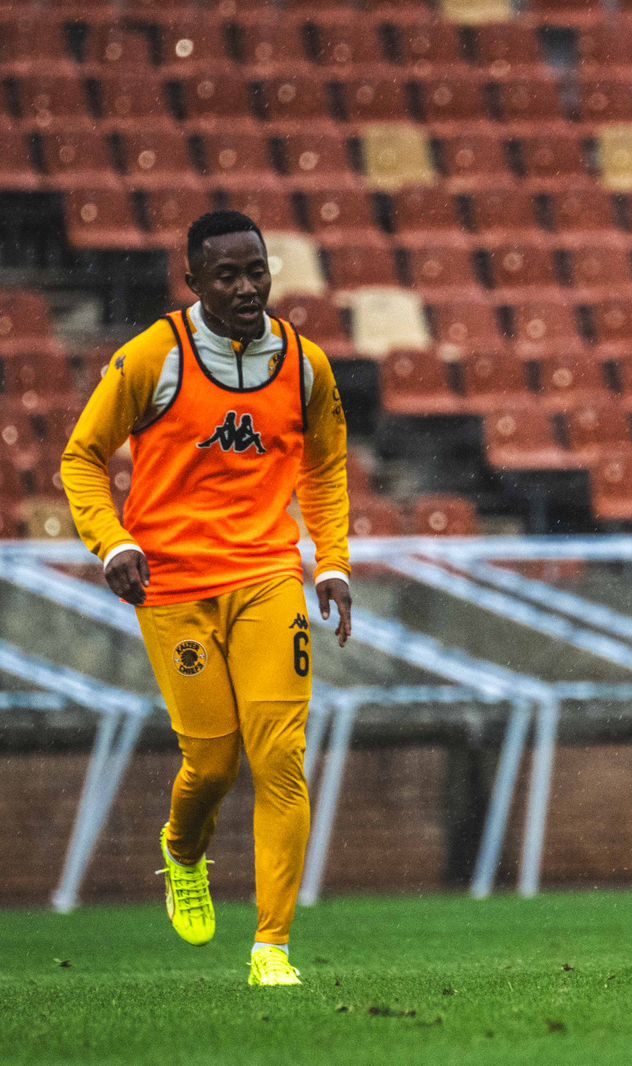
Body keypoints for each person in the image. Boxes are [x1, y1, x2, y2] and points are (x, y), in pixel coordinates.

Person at [61, 211, 352, 987]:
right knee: (214, 763)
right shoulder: (152, 355)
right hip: (175, 584)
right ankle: (183, 851)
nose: (247, 287)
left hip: (266, 577)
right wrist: (112, 541)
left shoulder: (306, 365)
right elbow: (83, 457)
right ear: (193, 281)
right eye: (226, 275)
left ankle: (272, 949)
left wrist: (333, 563)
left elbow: (325, 468)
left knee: (281, 759)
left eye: (257, 270)